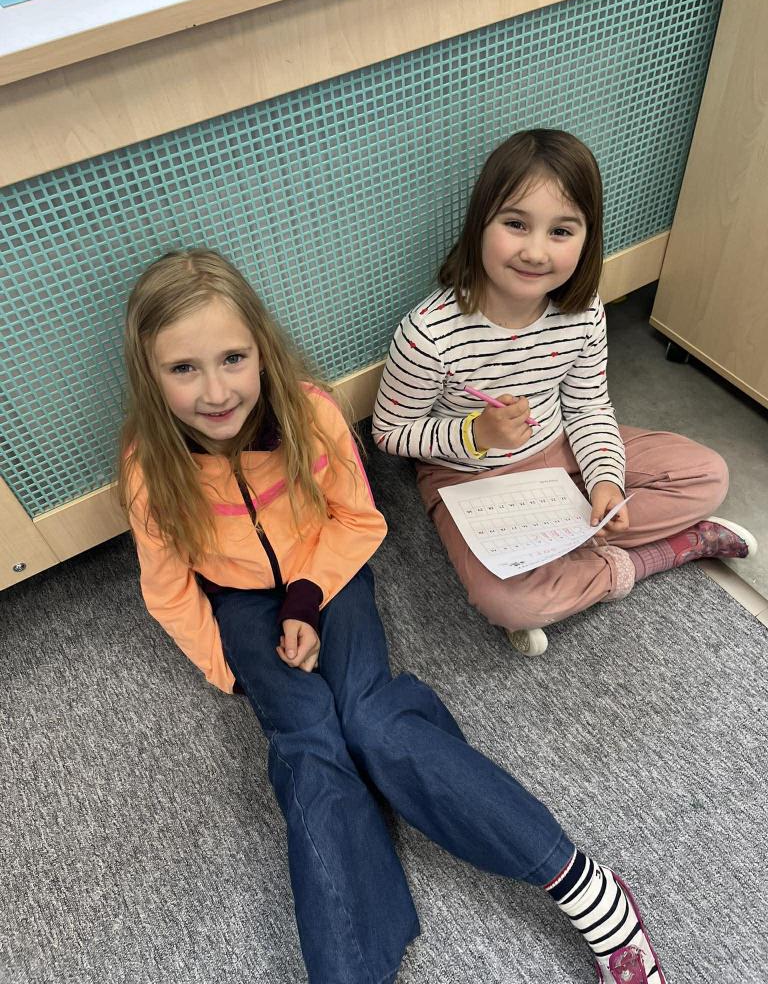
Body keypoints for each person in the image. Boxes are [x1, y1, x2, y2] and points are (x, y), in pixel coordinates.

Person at [119, 248, 666, 984]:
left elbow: (359, 520)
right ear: (150, 374)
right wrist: (231, 671)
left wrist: (308, 596)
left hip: (331, 571)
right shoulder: (149, 466)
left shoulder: (310, 413)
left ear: (261, 349)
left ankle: (584, 887)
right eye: (184, 368)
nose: (216, 391)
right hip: (240, 603)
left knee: (372, 723)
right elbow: (167, 589)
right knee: (308, 741)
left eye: (232, 359)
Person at [373, 128, 756, 657]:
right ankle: (658, 554)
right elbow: (390, 434)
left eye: (561, 231)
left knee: (707, 474)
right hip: (469, 477)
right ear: (479, 223)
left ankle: (566, 555)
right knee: (508, 602)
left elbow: (589, 406)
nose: (535, 251)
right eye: (515, 224)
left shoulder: (582, 310)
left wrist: (605, 480)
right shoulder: (429, 333)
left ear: (587, 238)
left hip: (559, 448)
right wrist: (475, 434)